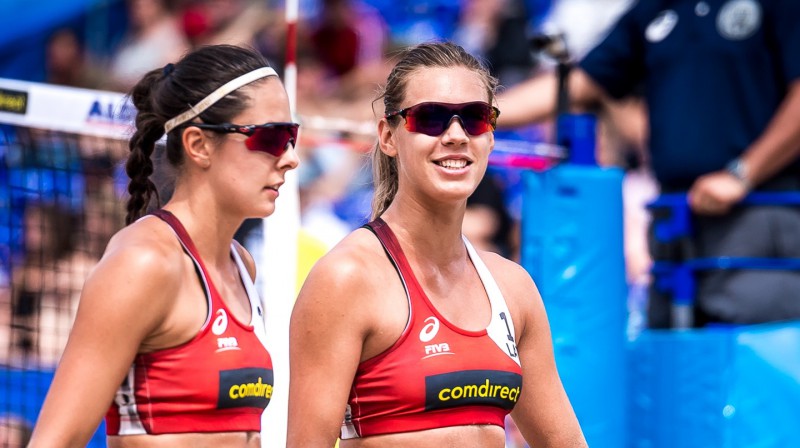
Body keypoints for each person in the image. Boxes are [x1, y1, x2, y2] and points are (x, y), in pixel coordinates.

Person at [287, 41, 586, 448]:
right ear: (388, 138)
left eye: (475, 118)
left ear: (491, 136)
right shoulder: (348, 278)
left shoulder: (512, 287)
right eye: (430, 118)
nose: (456, 135)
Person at [27, 44, 300, 447]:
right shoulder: (145, 263)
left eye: (291, 135)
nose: (291, 157)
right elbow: (54, 441)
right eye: (272, 137)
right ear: (199, 145)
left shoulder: (240, 264)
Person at [497, 0, 800, 328]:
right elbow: (584, 81)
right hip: (674, 216)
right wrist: (475, 111)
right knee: (671, 350)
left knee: (759, 355)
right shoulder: (654, 9)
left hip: (760, 211)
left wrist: (744, 173)